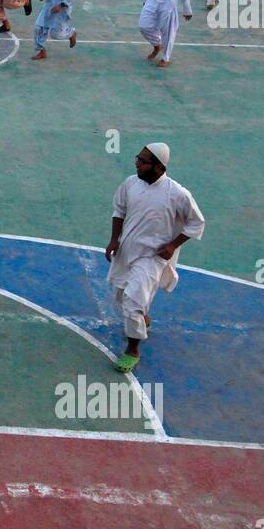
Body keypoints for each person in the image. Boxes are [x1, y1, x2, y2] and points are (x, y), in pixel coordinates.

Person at [104, 142, 206, 372]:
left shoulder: (177, 194)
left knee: (132, 303)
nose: (137, 164)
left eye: (142, 161)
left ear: (159, 167)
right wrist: (113, 240)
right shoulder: (131, 184)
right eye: (138, 159)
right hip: (127, 250)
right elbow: (119, 211)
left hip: (152, 257)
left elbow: (196, 223)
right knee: (122, 295)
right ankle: (142, 319)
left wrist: (172, 245)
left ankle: (132, 349)